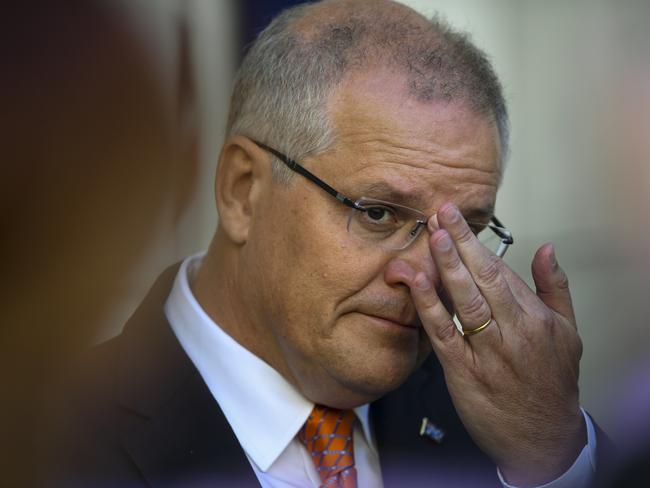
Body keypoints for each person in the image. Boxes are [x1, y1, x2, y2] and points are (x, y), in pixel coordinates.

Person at [39, 1, 610, 486]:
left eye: (464, 232)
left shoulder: (511, 431)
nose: (426, 274)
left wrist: (553, 456)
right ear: (242, 190)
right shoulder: (45, 446)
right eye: (380, 213)